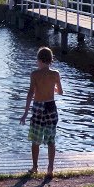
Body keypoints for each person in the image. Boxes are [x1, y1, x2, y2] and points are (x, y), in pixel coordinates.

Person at [20, 46, 63, 179]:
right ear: (51, 60)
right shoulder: (55, 74)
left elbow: (30, 94)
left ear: (39, 60)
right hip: (51, 106)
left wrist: (25, 113)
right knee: (51, 139)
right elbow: (60, 92)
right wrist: (54, 89)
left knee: (35, 139)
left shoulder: (35, 74)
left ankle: (35, 167)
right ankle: (50, 167)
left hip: (38, 107)